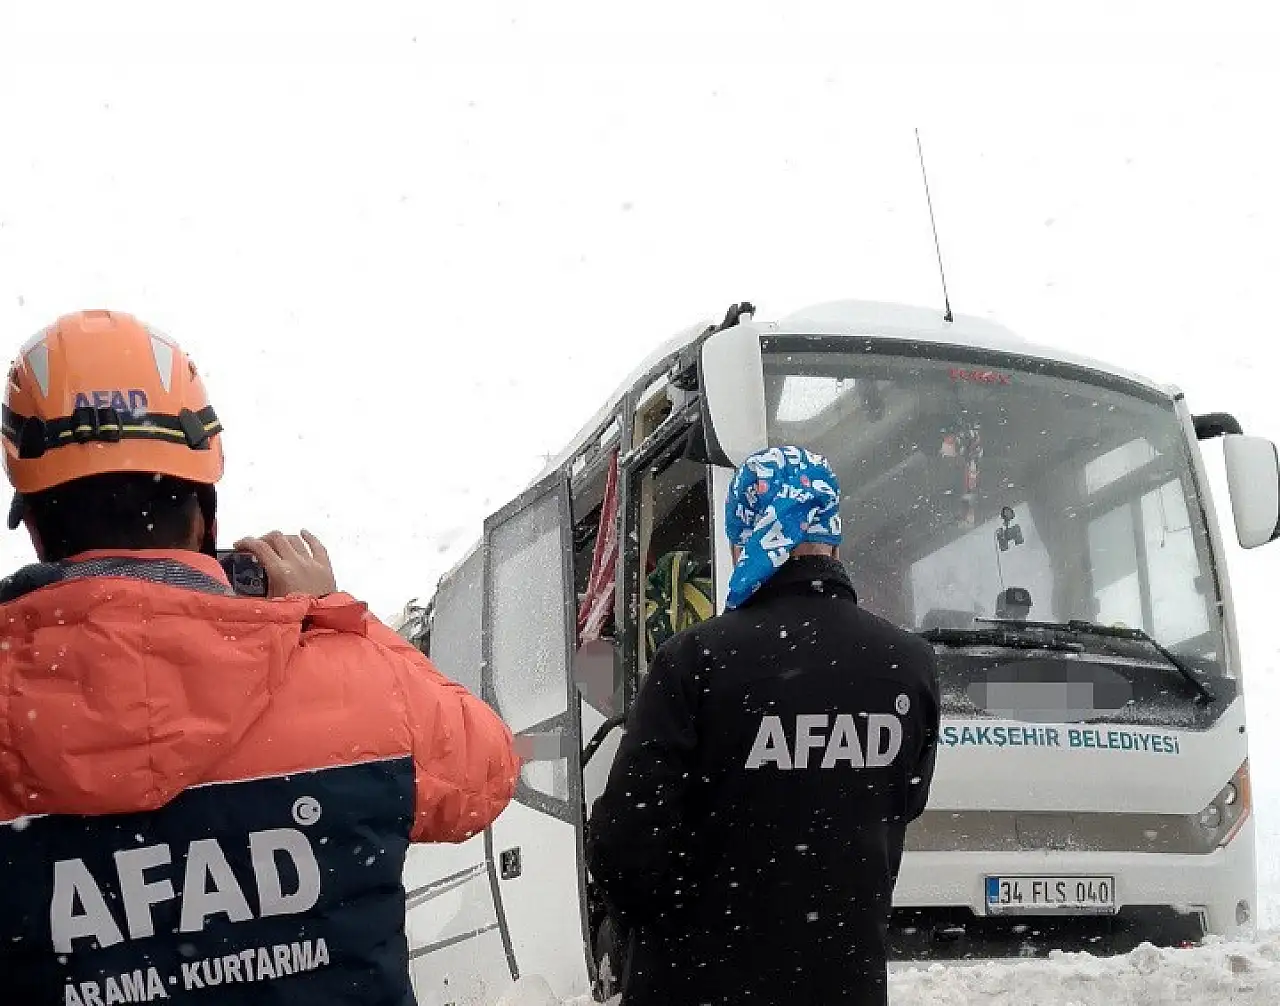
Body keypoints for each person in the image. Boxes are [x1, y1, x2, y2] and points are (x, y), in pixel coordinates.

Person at [0, 310, 519, 1004]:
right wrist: (335, 618)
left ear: (36, 523)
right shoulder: (354, 681)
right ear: (205, 508)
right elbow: (486, 771)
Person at [587, 445, 941, 1006]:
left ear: (750, 533)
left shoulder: (696, 660)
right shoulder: (908, 665)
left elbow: (624, 841)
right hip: (844, 985)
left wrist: (676, 920)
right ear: (832, 530)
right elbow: (900, 805)